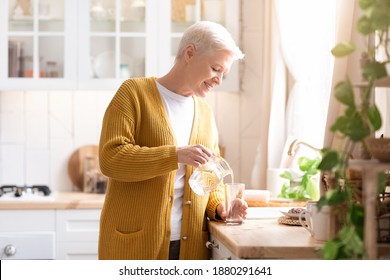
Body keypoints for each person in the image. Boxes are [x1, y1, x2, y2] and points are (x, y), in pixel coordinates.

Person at [98, 21, 246, 260]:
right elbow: (111, 159)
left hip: (189, 246)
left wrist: (221, 207)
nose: (219, 80)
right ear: (190, 53)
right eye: (215, 69)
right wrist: (175, 155)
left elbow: (212, 176)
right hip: (135, 245)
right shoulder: (133, 93)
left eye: (223, 74)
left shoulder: (205, 113)